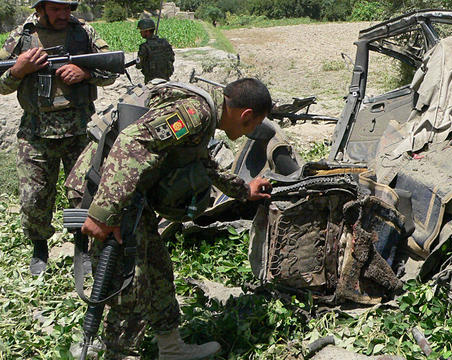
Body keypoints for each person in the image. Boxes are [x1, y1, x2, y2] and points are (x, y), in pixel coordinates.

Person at [65, 77, 273, 359]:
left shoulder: (206, 112)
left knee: (157, 270)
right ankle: (119, 352)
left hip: (126, 192)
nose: (250, 132)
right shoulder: (195, 112)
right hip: (105, 189)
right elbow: (132, 143)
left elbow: (200, 162)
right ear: (246, 115)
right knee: (130, 282)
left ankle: (171, 349)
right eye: (254, 125)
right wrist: (104, 212)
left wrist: (243, 190)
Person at [0, 0, 117, 276]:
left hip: (80, 130)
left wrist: (86, 73)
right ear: (40, 9)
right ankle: (40, 249)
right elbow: (1, 84)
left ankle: (82, 246)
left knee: (83, 195)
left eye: (68, 9)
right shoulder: (21, 36)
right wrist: (20, 70)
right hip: (35, 133)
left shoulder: (84, 33)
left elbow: (112, 69)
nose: (64, 15)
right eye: (56, 9)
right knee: (34, 197)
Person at [136, 18, 175, 84]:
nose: (140, 32)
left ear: (147, 31)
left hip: (151, 81)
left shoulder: (144, 47)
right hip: (165, 79)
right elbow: (172, 58)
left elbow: (138, 65)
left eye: (141, 30)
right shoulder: (165, 42)